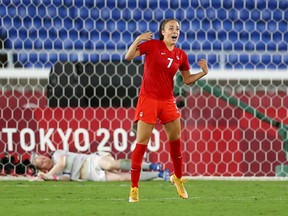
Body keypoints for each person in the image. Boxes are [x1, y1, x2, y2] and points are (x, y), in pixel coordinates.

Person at [125, 18, 208, 202]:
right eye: (171, 28)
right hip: (148, 99)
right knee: (141, 143)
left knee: (175, 140)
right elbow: (129, 56)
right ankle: (134, 189)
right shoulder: (152, 45)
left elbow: (186, 79)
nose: (175, 31)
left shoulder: (181, 54)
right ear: (163, 31)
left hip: (167, 101)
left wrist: (203, 72)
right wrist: (138, 39)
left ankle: (177, 178)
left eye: (177, 28)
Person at [30, 150, 169, 182]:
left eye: (42, 158)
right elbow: (67, 178)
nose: (43, 160)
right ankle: (160, 174)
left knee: (111, 164)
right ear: (42, 168)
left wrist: (47, 176)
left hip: (90, 161)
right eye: (41, 163)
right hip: (89, 175)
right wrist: (49, 178)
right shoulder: (54, 175)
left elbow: (62, 164)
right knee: (122, 178)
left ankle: (151, 165)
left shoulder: (56, 154)